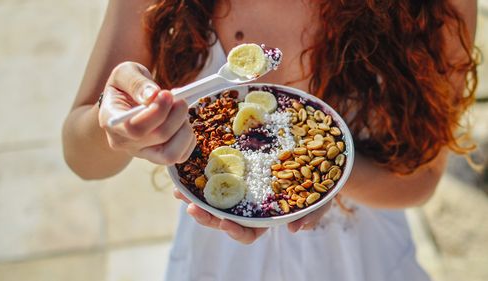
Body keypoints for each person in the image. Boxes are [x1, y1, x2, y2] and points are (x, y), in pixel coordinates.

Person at [62, 0, 478, 280]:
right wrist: (116, 127)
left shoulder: (434, 8)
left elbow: (421, 181)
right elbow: (81, 157)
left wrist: (318, 179)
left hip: (361, 259)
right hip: (218, 261)